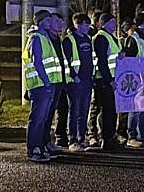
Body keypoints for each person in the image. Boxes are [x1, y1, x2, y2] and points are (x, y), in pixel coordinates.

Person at [22, 10, 62, 163]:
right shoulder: (37, 38)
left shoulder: (44, 38)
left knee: (43, 118)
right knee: (38, 118)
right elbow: (37, 62)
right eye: (48, 20)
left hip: (47, 84)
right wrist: (46, 82)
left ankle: (40, 146)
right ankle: (34, 149)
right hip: (40, 85)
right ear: (42, 22)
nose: (51, 22)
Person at [122, 12, 144, 148]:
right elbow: (129, 59)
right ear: (143, 22)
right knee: (135, 108)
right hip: (137, 78)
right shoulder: (135, 38)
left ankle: (142, 134)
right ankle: (132, 136)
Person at [63, 13, 95, 152]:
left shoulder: (88, 39)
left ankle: (82, 139)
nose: (88, 27)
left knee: (84, 110)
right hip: (75, 82)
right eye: (86, 25)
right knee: (74, 110)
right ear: (78, 25)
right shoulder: (69, 40)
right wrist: (73, 75)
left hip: (87, 80)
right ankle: (72, 140)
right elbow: (66, 60)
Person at [93, 13, 123, 151]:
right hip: (104, 81)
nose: (114, 25)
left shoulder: (111, 37)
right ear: (103, 23)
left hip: (112, 79)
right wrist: (109, 80)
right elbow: (102, 61)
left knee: (112, 111)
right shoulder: (101, 37)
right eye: (111, 22)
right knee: (107, 111)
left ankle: (110, 137)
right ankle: (105, 139)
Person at [45, 13, 70, 154]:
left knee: (61, 110)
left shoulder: (58, 39)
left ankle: (53, 140)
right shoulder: (46, 39)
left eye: (62, 21)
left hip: (59, 81)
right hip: (49, 83)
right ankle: (44, 142)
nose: (61, 23)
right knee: (46, 114)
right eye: (57, 21)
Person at [86, 10, 104, 146]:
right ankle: (92, 134)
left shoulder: (93, 34)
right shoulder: (93, 35)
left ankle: (96, 133)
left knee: (96, 106)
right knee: (94, 107)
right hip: (93, 76)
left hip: (95, 75)